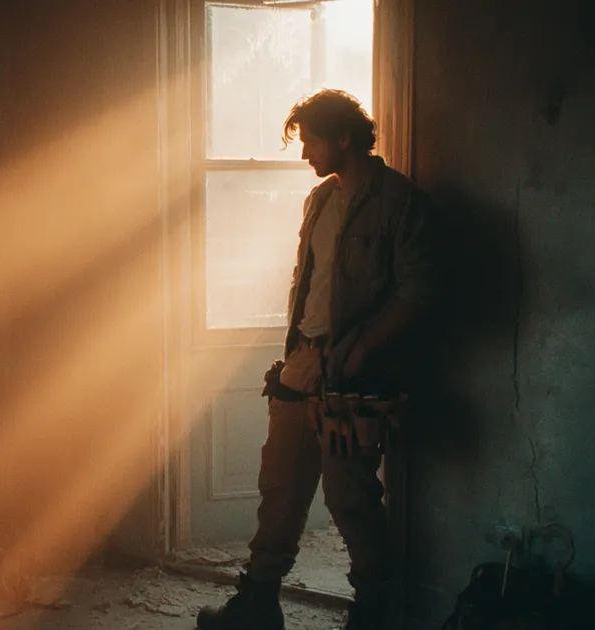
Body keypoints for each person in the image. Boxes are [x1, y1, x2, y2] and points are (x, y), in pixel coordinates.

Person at [196, 89, 441, 630]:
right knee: (279, 488)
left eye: (310, 140)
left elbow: (420, 292)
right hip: (301, 365)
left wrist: (360, 349)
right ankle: (257, 606)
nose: (304, 153)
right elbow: (307, 282)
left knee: (350, 498)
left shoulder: (400, 203)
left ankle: (375, 614)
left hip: (353, 376)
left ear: (344, 138)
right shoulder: (321, 201)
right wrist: (293, 356)